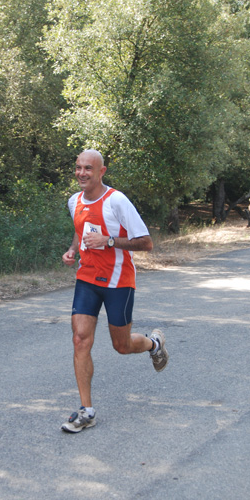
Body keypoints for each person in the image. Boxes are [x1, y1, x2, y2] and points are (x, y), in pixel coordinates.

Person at [60, 149, 169, 433]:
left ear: (101, 172)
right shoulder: (74, 201)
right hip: (87, 279)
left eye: (88, 169)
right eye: (78, 167)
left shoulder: (117, 201)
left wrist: (108, 241)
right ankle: (87, 411)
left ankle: (153, 344)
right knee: (80, 339)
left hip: (119, 281)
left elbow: (146, 243)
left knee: (121, 346)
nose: (82, 173)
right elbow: (80, 229)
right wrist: (73, 249)